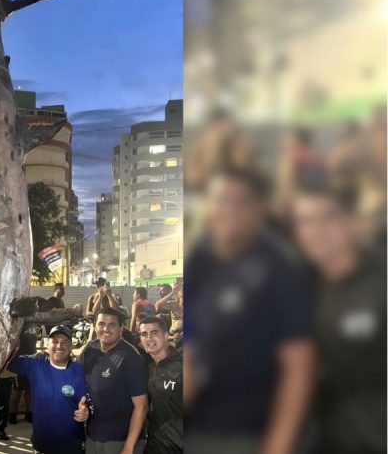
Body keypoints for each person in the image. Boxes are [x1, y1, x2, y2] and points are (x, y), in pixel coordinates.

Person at [184, 169, 315, 454]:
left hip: (251, 436)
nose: (229, 210)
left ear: (259, 210)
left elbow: (299, 365)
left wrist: (277, 446)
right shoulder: (200, 260)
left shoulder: (280, 269)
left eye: (240, 201)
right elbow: (192, 348)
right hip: (200, 431)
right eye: (220, 200)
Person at [293, 183, 386, 454]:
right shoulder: (301, 288)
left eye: (327, 218)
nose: (316, 231)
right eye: (306, 221)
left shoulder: (381, 282)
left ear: (352, 223)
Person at [7, 325, 90, 454]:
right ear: (47, 345)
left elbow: (89, 402)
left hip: (72, 446)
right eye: (55, 341)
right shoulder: (35, 365)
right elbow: (7, 360)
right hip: (42, 445)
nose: (59, 346)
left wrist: (86, 412)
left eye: (64, 342)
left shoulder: (79, 371)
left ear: (71, 347)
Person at [78, 307, 148, 454]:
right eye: (101, 324)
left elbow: (141, 407)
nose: (106, 329)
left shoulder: (131, 358)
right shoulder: (89, 350)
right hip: (93, 434)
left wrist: (129, 447)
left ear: (121, 328)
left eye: (112, 325)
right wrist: (82, 407)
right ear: (95, 326)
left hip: (120, 439)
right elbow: (81, 385)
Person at [139, 317, 182, 454]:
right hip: (155, 444)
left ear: (166, 336)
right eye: (144, 334)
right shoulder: (145, 366)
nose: (149, 339)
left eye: (154, 333)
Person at [9, 321, 37, 424]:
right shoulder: (18, 323)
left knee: (30, 389)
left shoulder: (33, 323)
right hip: (20, 360)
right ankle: (12, 414)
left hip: (32, 361)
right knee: (17, 389)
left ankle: (28, 413)